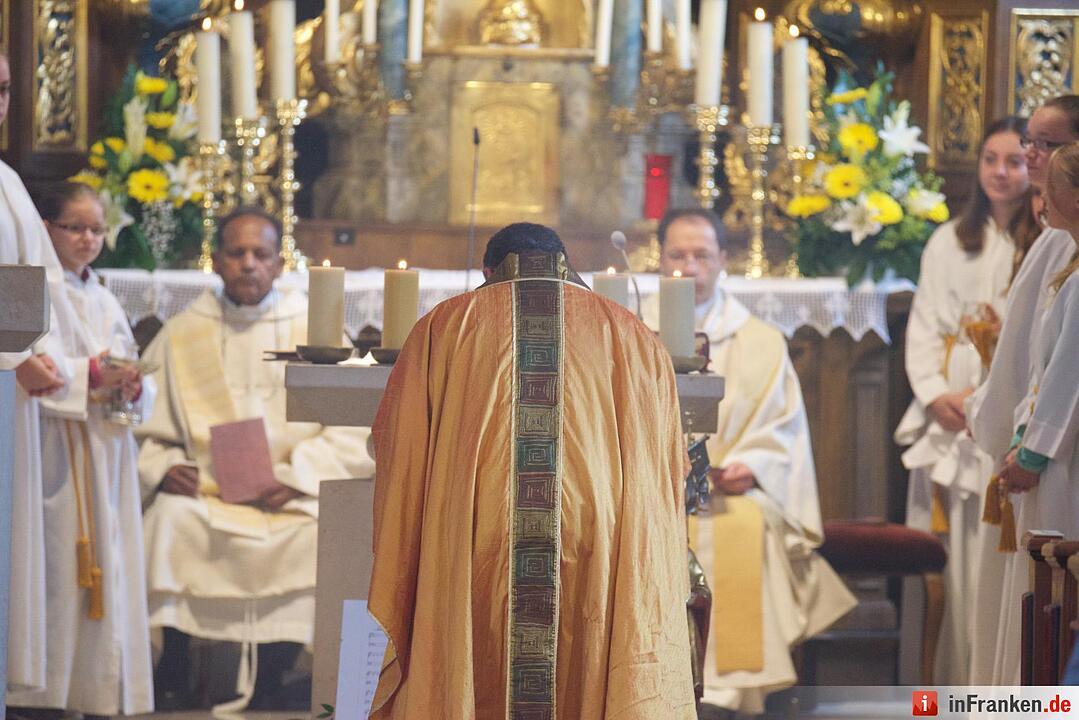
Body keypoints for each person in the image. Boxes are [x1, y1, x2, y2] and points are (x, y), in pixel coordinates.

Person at [368, 223, 696, 719]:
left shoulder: (444, 326)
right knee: (589, 657)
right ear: (567, 265)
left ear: (488, 271)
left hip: (476, 533)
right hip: (598, 534)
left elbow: (398, 447)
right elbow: (667, 464)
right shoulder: (629, 332)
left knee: (473, 656)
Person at [136, 207, 374, 710]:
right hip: (205, 492)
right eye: (236, 252)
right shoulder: (181, 333)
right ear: (216, 262)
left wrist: (297, 476)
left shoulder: (318, 334)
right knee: (168, 524)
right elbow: (141, 425)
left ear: (280, 264)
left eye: (260, 254)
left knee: (315, 536)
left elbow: (355, 427)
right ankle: (172, 667)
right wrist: (164, 467)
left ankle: (276, 673)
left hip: (286, 495)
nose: (248, 264)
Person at [641, 209, 855, 715]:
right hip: (650, 495)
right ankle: (648, 678)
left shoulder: (760, 340)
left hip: (725, 495)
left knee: (743, 526)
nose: (689, 268)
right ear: (659, 259)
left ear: (723, 260)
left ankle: (727, 689)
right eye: (677, 255)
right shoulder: (632, 331)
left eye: (702, 256)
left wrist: (753, 466)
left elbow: (781, 427)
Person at [893, 117, 1039, 684]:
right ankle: (950, 686)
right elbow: (925, 326)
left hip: (1003, 417)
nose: (1001, 173)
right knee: (955, 571)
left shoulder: (1043, 243)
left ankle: (996, 687)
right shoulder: (949, 240)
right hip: (952, 419)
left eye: (1014, 161)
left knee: (994, 568)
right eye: (990, 160)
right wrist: (934, 396)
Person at [7, 183, 155, 716]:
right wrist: (86, 377)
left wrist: (135, 386)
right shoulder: (42, 289)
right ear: (48, 230)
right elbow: (29, 367)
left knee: (108, 575)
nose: (89, 239)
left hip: (105, 453)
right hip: (57, 453)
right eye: (77, 227)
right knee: (56, 577)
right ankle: (47, 695)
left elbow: (131, 360)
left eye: (97, 229)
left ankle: (94, 694)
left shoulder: (104, 296)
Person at [967, 96, 1079, 684]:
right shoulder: (1059, 244)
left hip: (1058, 465)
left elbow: (1066, 373)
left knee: (1053, 598)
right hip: (1038, 450)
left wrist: (1031, 449)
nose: (1031, 156)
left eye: (1047, 144)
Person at [0, 48, 87, 698]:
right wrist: (12, 357)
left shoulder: (5, 183)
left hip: (12, 402)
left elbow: (42, 293)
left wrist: (38, 357)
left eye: (3, 90)